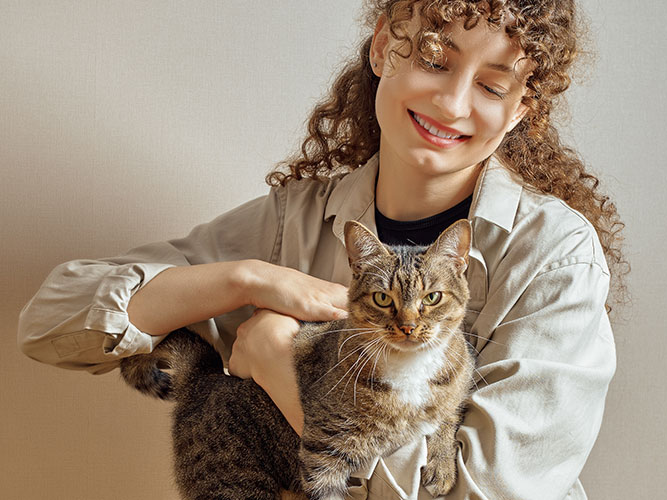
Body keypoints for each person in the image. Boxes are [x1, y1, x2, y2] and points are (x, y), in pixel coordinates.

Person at [18, 1, 625, 498]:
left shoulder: (556, 256)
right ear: (385, 47)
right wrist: (250, 282)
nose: (453, 103)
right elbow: (50, 322)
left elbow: (481, 492)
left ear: (520, 110)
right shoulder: (296, 220)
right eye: (437, 59)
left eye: (493, 86)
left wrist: (278, 366)